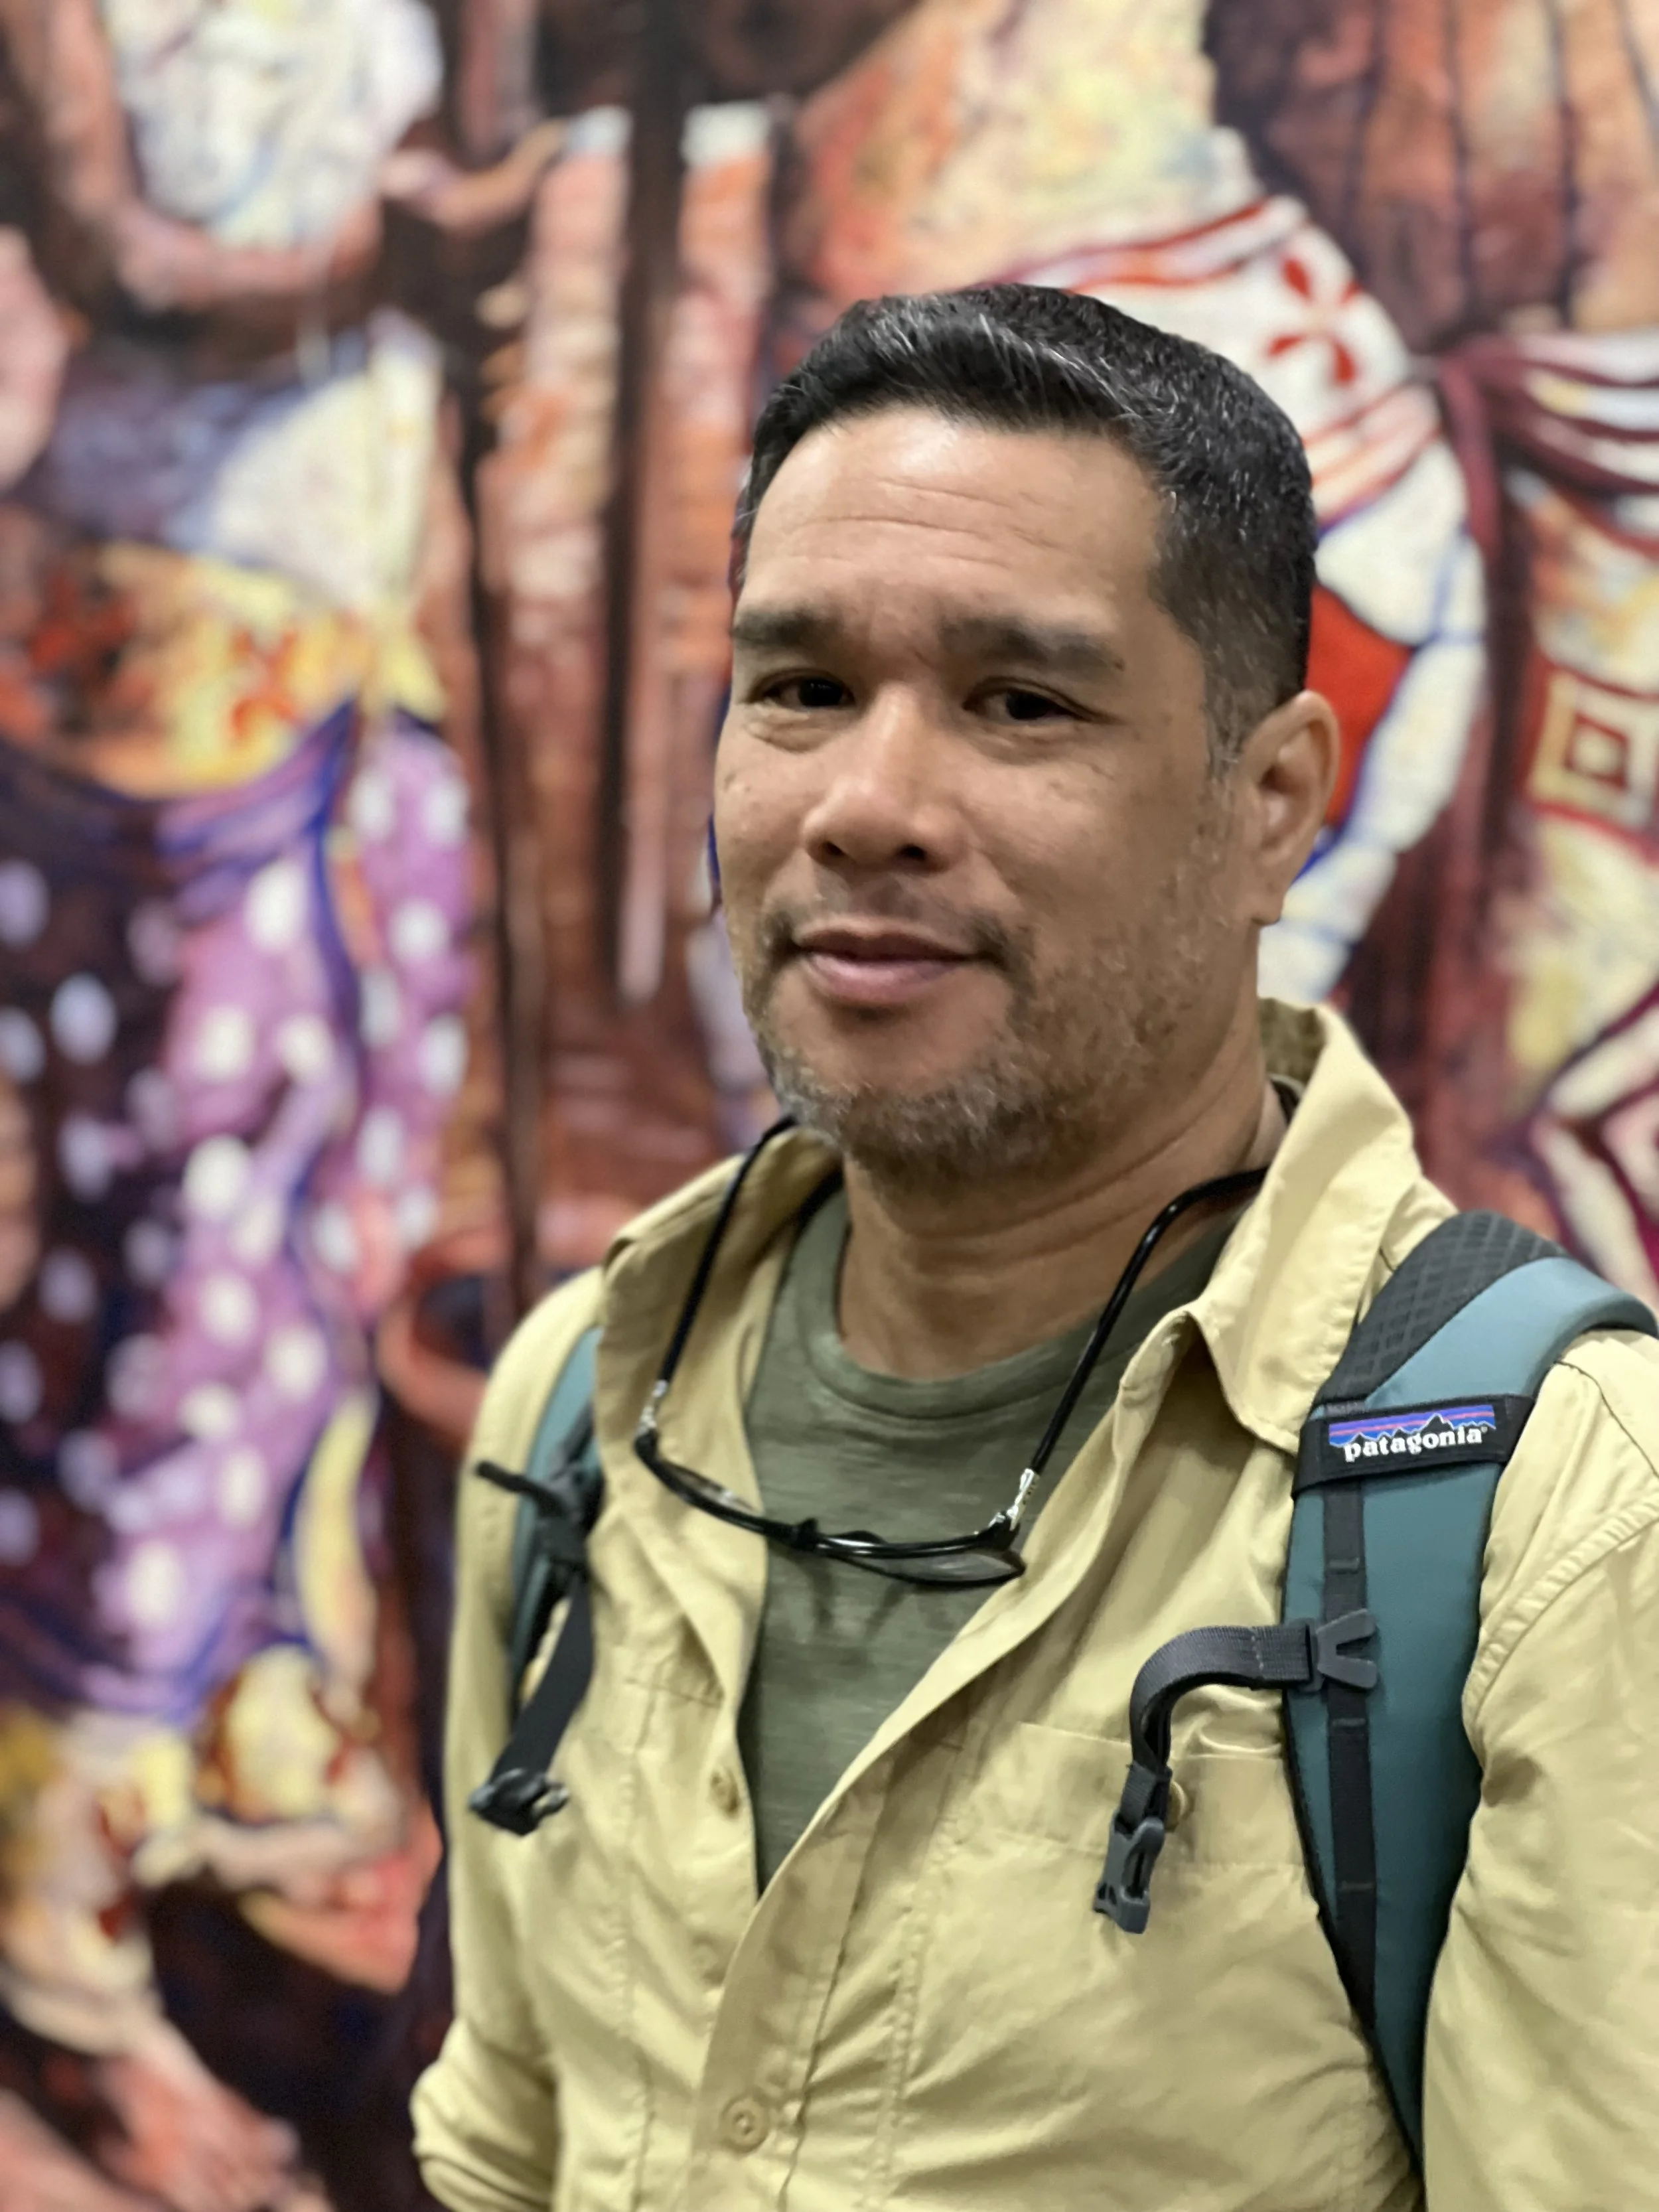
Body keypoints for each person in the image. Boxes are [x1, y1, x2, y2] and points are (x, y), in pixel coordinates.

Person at [413, 287, 1659, 2211]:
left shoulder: (1549, 1514)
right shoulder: (586, 1398)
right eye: (801, 686)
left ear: (1268, 807)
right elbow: (510, 2141)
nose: (866, 808)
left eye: (1021, 704)